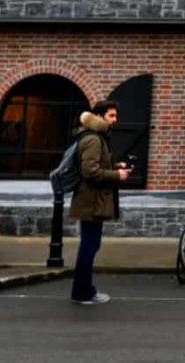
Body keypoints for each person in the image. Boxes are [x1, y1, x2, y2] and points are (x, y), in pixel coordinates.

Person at [69, 98, 128, 307]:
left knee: (90, 246)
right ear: (100, 116)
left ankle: (83, 290)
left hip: (93, 201)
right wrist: (116, 175)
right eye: (111, 115)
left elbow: (95, 165)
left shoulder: (96, 137)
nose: (115, 120)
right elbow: (90, 172)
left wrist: (115, 165)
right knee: (88, 247)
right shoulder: (93, 139)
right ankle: (82, 292)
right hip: (91, 202)